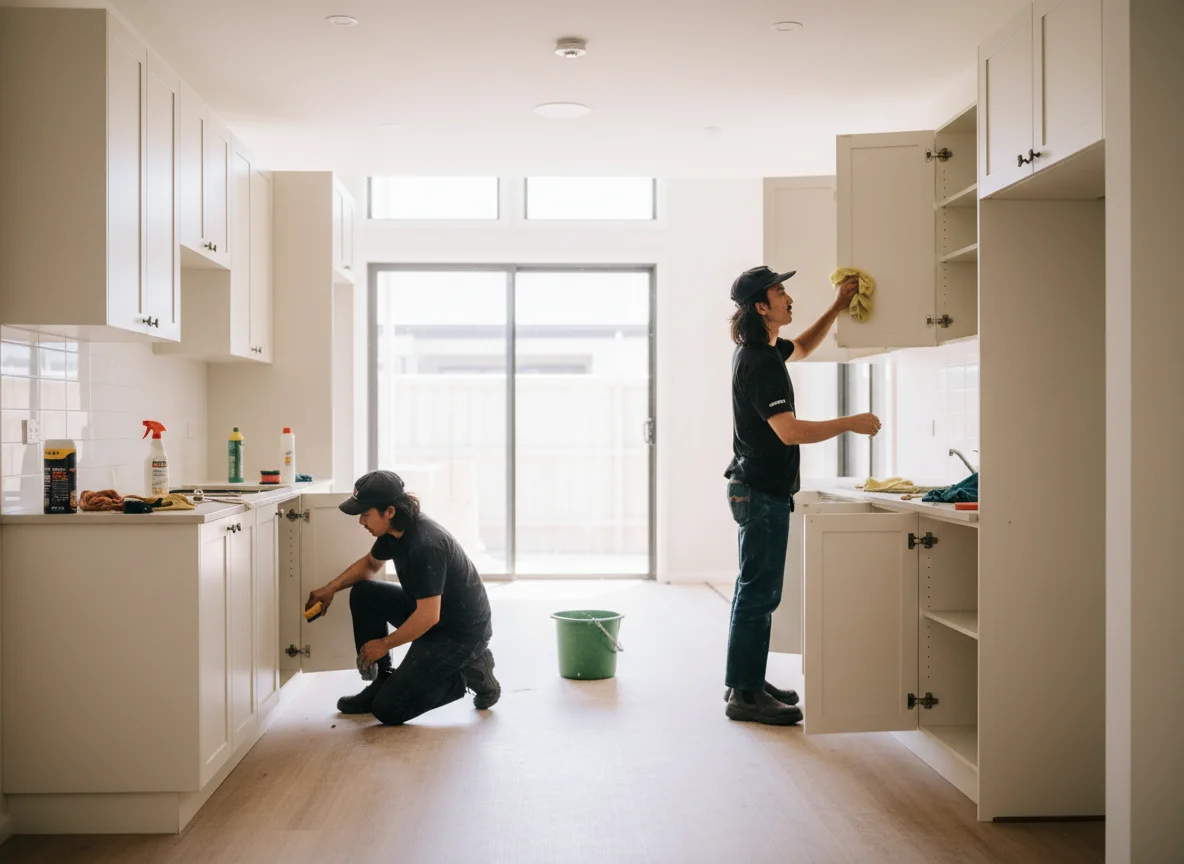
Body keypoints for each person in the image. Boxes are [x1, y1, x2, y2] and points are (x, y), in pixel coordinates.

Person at [723, 266, 881, 726]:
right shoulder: (759, 362)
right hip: (760, 492)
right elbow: (788, 432)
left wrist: (836, 306)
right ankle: (745, 695)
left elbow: (807, 346)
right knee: (758, 595)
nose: (789, 298)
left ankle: (746, 681)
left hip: (756, 489)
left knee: (754, 592)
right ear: (761, 306)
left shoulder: (762, 352)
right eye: (780, 292)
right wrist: (849, 423)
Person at [305, 470, 500, 725]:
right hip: (432, 615)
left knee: (389, 709)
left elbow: (428, 616)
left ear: (390, 511)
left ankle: (467, 673)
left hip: (460, 634)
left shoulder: (425, 545)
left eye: (365, 514)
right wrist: (331, 588)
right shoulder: (393, 532)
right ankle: (381, 679)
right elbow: (369, 565)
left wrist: (384, 644)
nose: (361, 522)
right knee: (364, 593)